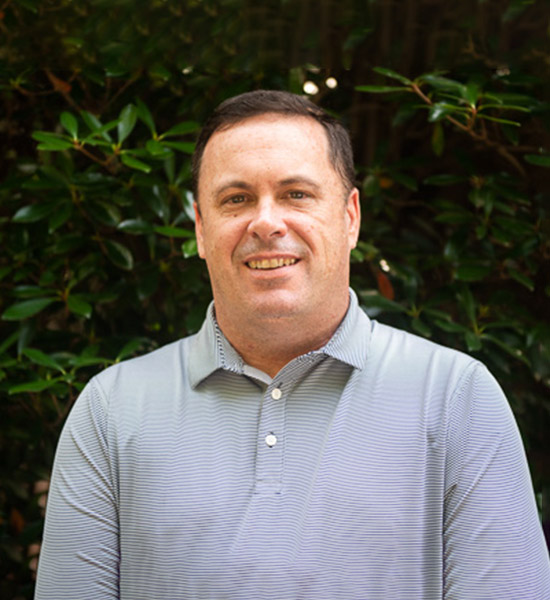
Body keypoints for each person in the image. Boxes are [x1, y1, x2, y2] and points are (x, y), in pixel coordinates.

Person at [35, 90, 550, 600]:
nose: (266, 222)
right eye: (236, 199)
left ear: (350, 217)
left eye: (296, 194)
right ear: (200, 229)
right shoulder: (111, 409)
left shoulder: (457, 397)